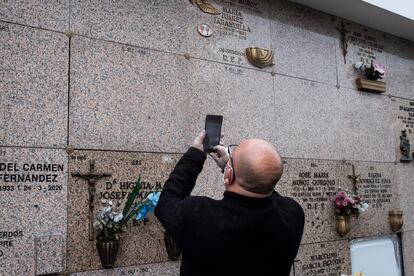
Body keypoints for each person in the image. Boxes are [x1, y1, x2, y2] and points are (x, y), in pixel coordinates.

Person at [155, 131, 304, 276]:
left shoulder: (199, 217)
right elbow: (263, 185)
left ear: (228, 175)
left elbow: (166, 202)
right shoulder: (292, 214)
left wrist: (195, 154)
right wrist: (232, 167)